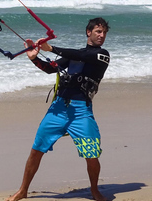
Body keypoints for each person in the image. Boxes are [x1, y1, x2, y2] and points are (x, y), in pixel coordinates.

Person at [7, 17, 111, 201]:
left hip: (81, 112)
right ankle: (23, 190)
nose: (102, 36)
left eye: (104, 33)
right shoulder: (74, 55)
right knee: (36, 149)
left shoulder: (102, 55)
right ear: (89, 32)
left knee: (92, 153)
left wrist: (51, 48)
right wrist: (34, 58)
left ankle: (95, 190)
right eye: (98, 32)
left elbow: (82, 57)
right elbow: (49, 68)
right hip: (59, 108)